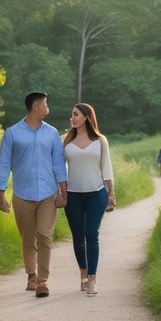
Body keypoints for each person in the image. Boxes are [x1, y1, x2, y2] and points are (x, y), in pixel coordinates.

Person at [0, 91, 68, 298]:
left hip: (47, 194)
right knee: (28, 239)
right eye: (45, 104)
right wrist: (1, 193)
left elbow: (58, 164)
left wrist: (63, 191)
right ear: (36, 106)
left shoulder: (52, 133)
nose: (48, 108)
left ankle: (43, 282)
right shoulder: (12, 133)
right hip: (22, 195)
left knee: (44, 235)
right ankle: (31, 275)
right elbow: (4, 164)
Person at [62, 102, 115, 297]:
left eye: (75, 114)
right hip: (73, 195)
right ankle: (83, 273)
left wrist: (111, 193)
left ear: (86, 116)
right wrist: (60, 192)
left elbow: (106, 167)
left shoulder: (100, 140)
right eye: (71, 115)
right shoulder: (66, 142)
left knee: (92, 234)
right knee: (78, 237)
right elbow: (60, 170)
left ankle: (92, 278)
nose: (72, 118)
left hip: (97, 193)